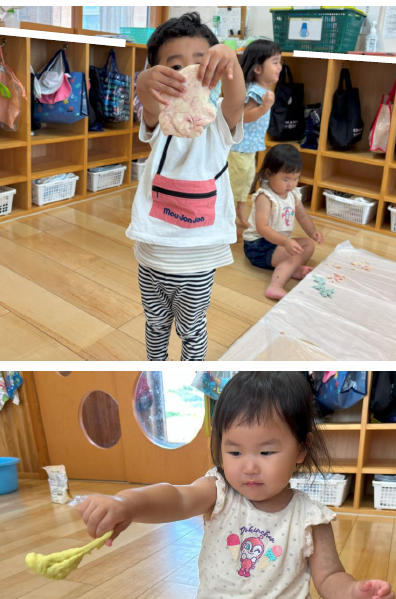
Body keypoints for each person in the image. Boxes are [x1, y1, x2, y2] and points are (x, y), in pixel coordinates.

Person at [77, 372, 392, 599]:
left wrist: (353, 593)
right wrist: (127, 504)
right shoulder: (219, 491)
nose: (249, 466)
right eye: (235, 451)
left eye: (267, 451)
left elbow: (330, 578)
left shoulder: (309, 518)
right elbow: (177, 498)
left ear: (301, 448)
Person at [128, 12, 246, 361]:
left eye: (202, 62)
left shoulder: (218, 121)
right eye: (175, 66)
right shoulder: (162, 118)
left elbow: (237, 100)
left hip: (199, 256)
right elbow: (150, 105)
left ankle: (186, 375)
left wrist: (230, 61)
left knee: (192, 328)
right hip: (153, 251)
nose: (189, 73)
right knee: (155, 324)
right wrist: (144, 83)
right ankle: (158, 370)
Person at [242, 145, 323, 299]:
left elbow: (302, 216)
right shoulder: (265, 197)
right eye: (286, 179)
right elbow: (262, 227)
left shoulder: (293, 194)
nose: (291, 184)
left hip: (278, 243)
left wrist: (312, 231)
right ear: (269, 174)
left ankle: (292, 269)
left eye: (296, 178)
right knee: (293, 255)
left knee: (308, 245)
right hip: (258, 246)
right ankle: (276, 286)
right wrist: (285, 242)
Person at [231, 39, 280, 232]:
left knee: (245, 183)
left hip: (248, 148)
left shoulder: (262, 89)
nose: (279, 67)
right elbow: (244, 116)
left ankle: (239, 213)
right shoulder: (254, 90)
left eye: (280, 62)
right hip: (239, 149)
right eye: (275, 62)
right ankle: (228, 218)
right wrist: (264, 108)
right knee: (236, 184)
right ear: (258, 68)